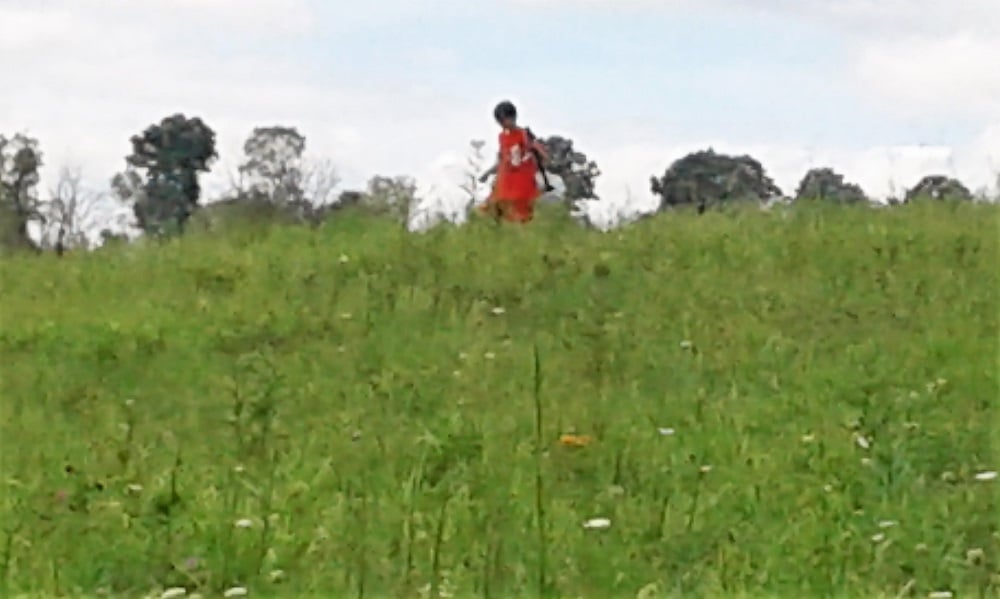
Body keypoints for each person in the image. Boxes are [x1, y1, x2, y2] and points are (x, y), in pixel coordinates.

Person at [477, 100, 550, 223]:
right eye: (499, 121)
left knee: (519, 214)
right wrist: (487, 173)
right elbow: (502, 159)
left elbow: (541, 155)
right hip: (505, 181)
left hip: (521, 181)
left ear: (513, 117)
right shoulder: (502, 137)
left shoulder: (524, 134)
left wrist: (535, 170)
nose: (502, 124)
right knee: (493, 212)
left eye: (504, 120)